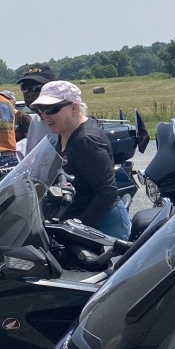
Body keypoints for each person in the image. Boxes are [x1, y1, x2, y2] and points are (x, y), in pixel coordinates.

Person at [32, 80, 132, 239]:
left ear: (74, 108)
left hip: (101, 225)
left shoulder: (86, 141)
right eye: (40, 110)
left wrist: (79, 227)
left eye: (51, 109)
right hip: (79, 221)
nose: (44, 116)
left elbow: (107, 193)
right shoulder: (65, 132)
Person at [17, 64, 57, 153]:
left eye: (37, 88)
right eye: (25, 88)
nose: (30, 93)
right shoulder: (34, 122)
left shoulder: (64, 122)